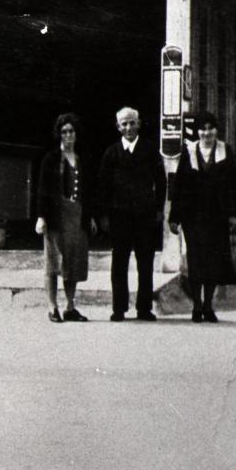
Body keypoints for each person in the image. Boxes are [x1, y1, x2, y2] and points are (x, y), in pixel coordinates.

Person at [168, 111, 236, 323]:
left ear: (216, 130)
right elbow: (179, 186)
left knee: (213, 261)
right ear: (197, 131)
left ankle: (208, 305)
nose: (206, 132)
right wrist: (175, 217)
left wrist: (234, 215)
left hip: (217, 217)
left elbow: (233, 186)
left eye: (210, 128)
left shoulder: (225, 151)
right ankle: (196, 305)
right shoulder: (188, 151)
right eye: (202, 128)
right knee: (196, 260)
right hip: (193, 217)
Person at [97, 107, 167, 322]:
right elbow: (103, 186)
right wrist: (104, 215)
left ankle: (144, 308)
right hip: (119, 217)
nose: (128, 127)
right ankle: (119, 308)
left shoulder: (149, 150)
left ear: (138, 124)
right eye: (124, 124)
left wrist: (158, 209)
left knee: (145, 263)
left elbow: (161, 181)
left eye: (132, 123)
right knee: (119, 263)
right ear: (118, 127)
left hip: (144, 216)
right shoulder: (112, 153)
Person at [35, 113, 98, 322]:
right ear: (59, 135)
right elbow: (43, 189)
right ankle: (52, 307)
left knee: (73, 263)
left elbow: (89, 191)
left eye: (71, 131)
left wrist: (90, 217)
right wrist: (41, 217)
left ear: (76, 134)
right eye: (64, 132)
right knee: (53, 263)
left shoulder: (83, 159)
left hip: (77, 216)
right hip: (56, 217)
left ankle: (70, 306)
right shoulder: (51, 159)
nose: (68, 135)